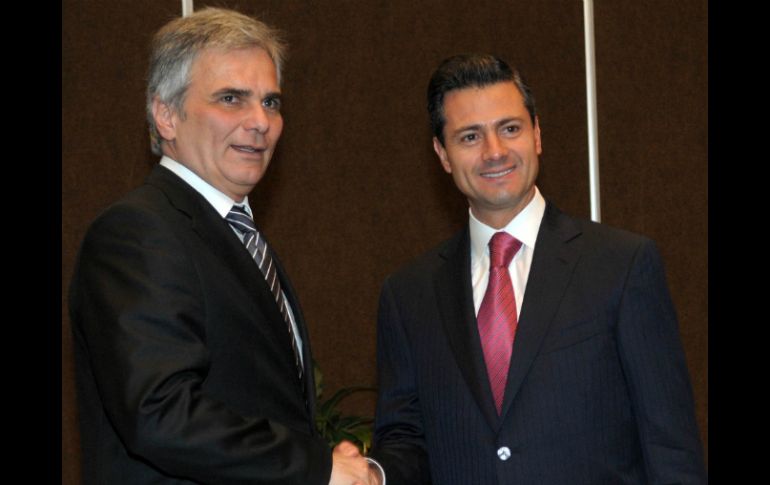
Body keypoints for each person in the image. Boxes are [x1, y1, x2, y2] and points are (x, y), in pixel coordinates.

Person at [69, 8, 381, 485]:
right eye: (231, 98)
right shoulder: (137, 232)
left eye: (271, 102)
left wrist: (322, 458)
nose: (260, 122)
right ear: (166, 115)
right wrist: (316, 468)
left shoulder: (237, 234)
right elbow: (160, 412)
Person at [368, 54, 707, 484]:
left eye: (510, 129)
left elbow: (670, 447)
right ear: (443, 154)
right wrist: (372, 474)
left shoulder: (622, 266)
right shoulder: (408, 296)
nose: (495, 152)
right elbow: (405, 438)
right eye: (470, 136)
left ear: (537, 135)